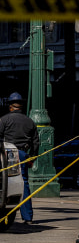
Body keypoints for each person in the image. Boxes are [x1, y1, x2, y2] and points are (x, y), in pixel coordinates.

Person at [0, 93, 39, 225]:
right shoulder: (30, 121)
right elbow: (35, 142)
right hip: (22, 154)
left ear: (11, 107)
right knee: (24, 184)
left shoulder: (4, 120)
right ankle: (27, 217)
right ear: (21, 107)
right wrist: (32, 157)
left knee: (4, 183)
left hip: (6, 153)